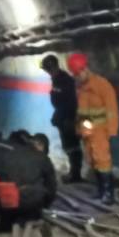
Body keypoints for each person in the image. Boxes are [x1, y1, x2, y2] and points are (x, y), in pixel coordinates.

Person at [0, 130, 57, 233]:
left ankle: (2, 218)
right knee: (39, 190)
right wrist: (45, 205)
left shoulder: (11, 152)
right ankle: (25, 218)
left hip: (5, 202)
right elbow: (51, 187)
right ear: (41, 145)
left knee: (13, 195)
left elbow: (1, 178)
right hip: (27, 203)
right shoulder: (43, 158)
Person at [69, 52, 119, 205]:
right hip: (88, 129)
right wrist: (80, 128)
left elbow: (112, 109)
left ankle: (108, 193)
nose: (77, 78)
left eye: (78, 74)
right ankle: (101, 190)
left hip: (100, 129)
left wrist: (111, 130)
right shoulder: (81, 88)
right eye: (75, 76)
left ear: (85, 69)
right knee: (92, 159)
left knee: (102, 159)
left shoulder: (102, 85)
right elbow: (81, 111)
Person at [40, 54, 82, 183]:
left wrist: (65, 118)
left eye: (48, 69)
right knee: (68, 145)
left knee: (72, 145)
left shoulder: (65, 80)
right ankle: (74, 172)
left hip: (69, 117)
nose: (48, 73)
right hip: (63, 117)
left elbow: (70, 102)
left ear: (53, 67)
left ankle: (75, 174)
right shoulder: (57, 79)